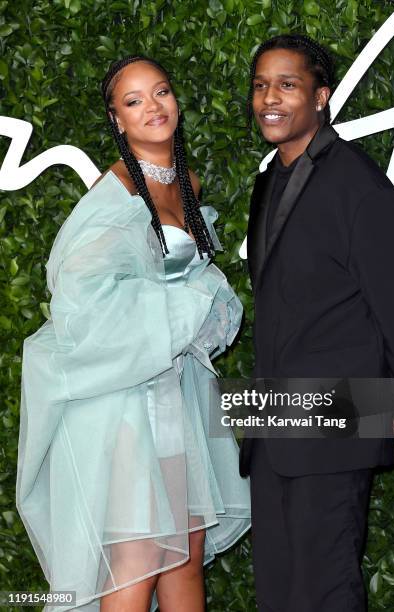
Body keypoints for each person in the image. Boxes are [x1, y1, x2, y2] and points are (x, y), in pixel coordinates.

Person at [16, 55, 250, 612]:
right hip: (122, 401)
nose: (152, 106)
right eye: (134, 100)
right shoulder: (114, 193)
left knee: (187, 551)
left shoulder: (185, 183)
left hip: (176, 396)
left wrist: (202, 307)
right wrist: (183, 309)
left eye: (161, 92)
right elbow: (78, 296)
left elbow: (196, 281)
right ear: (117, 121)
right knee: (139, 556)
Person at [239, 34, 394, 612]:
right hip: (274, 426)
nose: (269, 97)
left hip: (336, 423)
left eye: (287, 84)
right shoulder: (269, 180)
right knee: (279, 593)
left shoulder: (358, 185)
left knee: (323, 595)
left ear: (321, 96)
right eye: (260, 85)